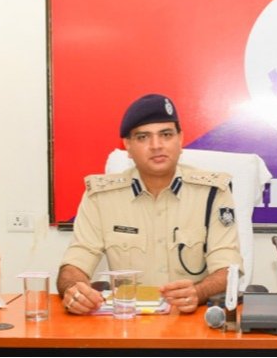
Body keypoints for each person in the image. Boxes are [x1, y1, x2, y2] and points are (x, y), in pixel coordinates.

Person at [57, 94, 241, 315]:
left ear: (180, 139)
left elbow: (228, 269)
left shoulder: (212, 193)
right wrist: (73, 289)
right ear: (128, 146)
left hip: (190, 319)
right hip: (128, 321)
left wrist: (198, 292)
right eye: (143, 137)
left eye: (166, 134)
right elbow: (75, 263)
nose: (156, 145)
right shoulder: (101, 197)